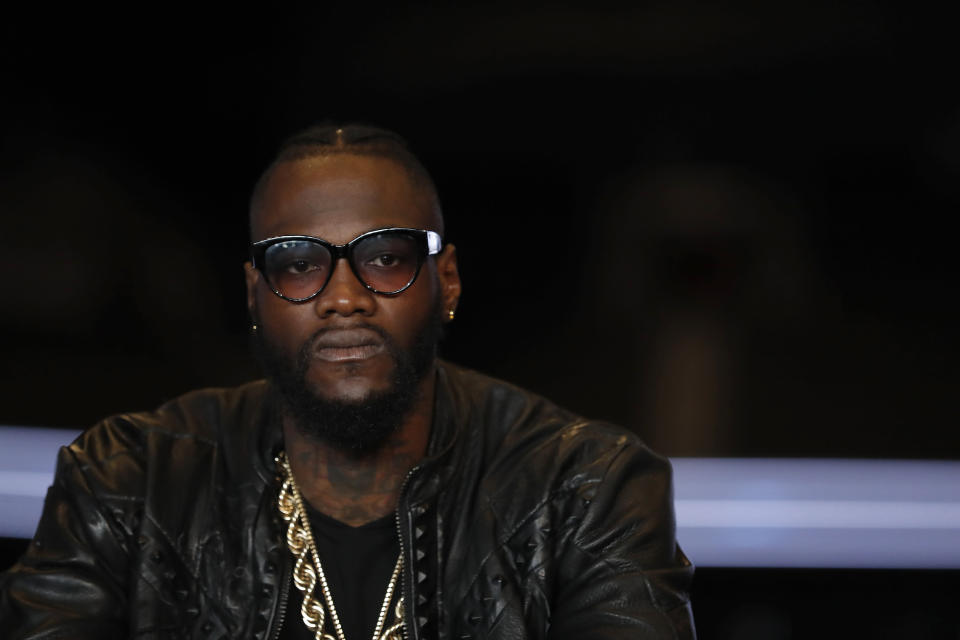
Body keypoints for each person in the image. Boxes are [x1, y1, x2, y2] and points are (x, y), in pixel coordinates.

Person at [0, 124, 696, 639]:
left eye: (386, 258)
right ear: (255, 295)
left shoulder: (587, 489)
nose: (343, 298)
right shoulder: (126, 481)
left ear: (445, 280)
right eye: (298, 263)